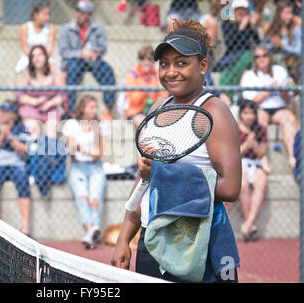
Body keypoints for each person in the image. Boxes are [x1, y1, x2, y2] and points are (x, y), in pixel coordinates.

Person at [111, 20, 242, 282]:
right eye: (164, 64)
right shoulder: (157, 107)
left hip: (195, 242)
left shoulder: (215, 112)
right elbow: (145, 178)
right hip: (152, 238)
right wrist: (125, 237)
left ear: (203, 66)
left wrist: (163, 174)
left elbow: (230, 188)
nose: (171, 72)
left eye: (181, 63)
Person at [15, 45, 67, 199]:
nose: (37, 58)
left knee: (51, 134)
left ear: (46, 57)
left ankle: (46, 172)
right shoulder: (25, 73)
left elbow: (62, 93)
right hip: (31, 108)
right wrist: (35, 101)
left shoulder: (54, 72)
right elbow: (19, 95)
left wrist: (50, 104)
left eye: (40, 55)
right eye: (34, 55)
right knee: (35, 132)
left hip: (49, 107)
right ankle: (35, 170)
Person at [62, 95, 109, 249]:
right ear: (83, 108)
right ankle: (91, 231)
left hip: (95, 167)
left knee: (95, 199)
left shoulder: (100, 125)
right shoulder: (71, 124)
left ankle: (90, 234)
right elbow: (70, 147)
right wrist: (76, 149)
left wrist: (81, 148)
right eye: (91, 107)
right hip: (77, 167)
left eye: (95, 107)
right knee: (83, 198)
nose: (94, 110)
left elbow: (99, 153)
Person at [240, 45, 297, 169]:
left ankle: (292, 157)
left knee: (290, 118)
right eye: (257, 56)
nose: (262, 59)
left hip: (279, 107)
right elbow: (251, 102)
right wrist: (269, 90)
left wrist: (282, 91)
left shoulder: (279, 71)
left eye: (264, 55)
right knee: (260, 118)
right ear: (254, 59)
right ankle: (262, 156)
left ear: (269, 57)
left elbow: (288, 99)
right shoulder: (249, 75)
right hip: (260, 108)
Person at [58, 0, 116, 119]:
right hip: (75, 61)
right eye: (77, 11)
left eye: (83, 12)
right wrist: (81, 53)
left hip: (92, 61)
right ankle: (70, 111)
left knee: (108, 71)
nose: (78, 14)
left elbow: (103, 47)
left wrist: (96, 52)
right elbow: (64, 52)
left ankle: (107, 108)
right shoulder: (67, 28)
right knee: (72, 69)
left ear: (90, 15)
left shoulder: (98, 27)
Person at [0, 101, 32, 236]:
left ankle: (25, 226)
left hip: (16, 163)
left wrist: (10, 135)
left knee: (23, 181)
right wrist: (2, 135)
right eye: (1, 111)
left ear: (13, 115)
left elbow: (23, 150)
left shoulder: (21, 127)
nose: (2, 114)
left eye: (6, 112)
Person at [213, 0, 260, 98]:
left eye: (244, 10)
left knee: (248, 55)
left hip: (246, 55)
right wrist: (242, 26)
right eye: (239, 10)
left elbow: (257, 41)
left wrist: (253, 26)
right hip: (232, 55)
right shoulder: (228, 23)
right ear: (234, 11)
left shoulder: (248, 24)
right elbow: (231, 43)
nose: (242, 12)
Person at [236, 100, 268, 242]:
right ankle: (251, 224)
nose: (249, 117)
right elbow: (235, 153)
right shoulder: (234, 127)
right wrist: (247, 143)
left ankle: (248, 223)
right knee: (242, 186)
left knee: (261, 183)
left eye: (252, 113)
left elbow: (261, 152)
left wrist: (254, 144)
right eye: (246, 113)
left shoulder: (260, 129)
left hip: (255, 162)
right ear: (240, 113)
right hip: (240, 162)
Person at [124, 46, 169, 127]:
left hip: (154, 109)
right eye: (143, 58)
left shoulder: (157, 74)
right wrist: (145, 93)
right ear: (139, 60)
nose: (146, 62)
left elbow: (164, 95)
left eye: (150, 59)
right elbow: (133, 98)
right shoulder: (132, 74)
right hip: (136, 111)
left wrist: (148, 94)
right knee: (144, 125)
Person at [263, 1, 302, 84]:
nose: (290, 16)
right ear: (279, 13)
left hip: (292, 62)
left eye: (291, 13)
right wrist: (273, 44)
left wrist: (282, 46)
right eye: (287, 13)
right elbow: (264, 47)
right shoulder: (272, 29)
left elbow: (299, 50)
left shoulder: (295, 28)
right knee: (276, 58)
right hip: (276, 62)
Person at [15, 2, 56, 73]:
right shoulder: (25, 27)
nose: (47, 17)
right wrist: (35, 58)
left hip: (45, 58)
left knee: (54, 69)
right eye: (44, 14)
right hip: (28, 57)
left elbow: (49, 50)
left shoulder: (51, 28)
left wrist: (42, 59)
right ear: (35, 15)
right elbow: (25, 48)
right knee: (22, 69)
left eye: (48, 14)